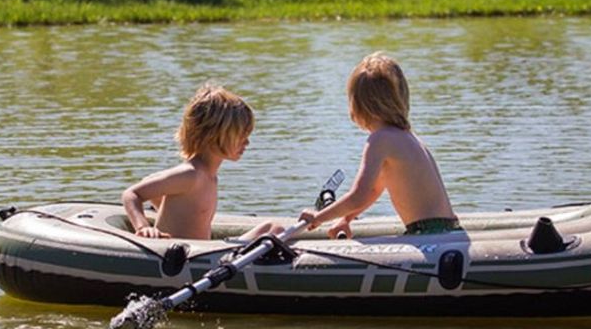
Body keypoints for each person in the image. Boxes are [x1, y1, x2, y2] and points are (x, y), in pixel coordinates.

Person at [299, 52, 458, 238]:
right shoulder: (407, 137)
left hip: (427, 233)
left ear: (357, 105)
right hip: (449, 228)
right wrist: (346, 219)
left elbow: (358, 195)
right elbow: (374, 189)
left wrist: (318, 217)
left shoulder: (379, 140)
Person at [123, 84, 280, 241]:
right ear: (214, 135)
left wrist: (165, 210)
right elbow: (132, 194)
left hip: (207, 248)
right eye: (241, 136)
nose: (247, 143)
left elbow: (154, 185)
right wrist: (143, 227)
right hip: (184, 253)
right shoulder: (190, 175)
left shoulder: (210, 176)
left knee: (274, 228)